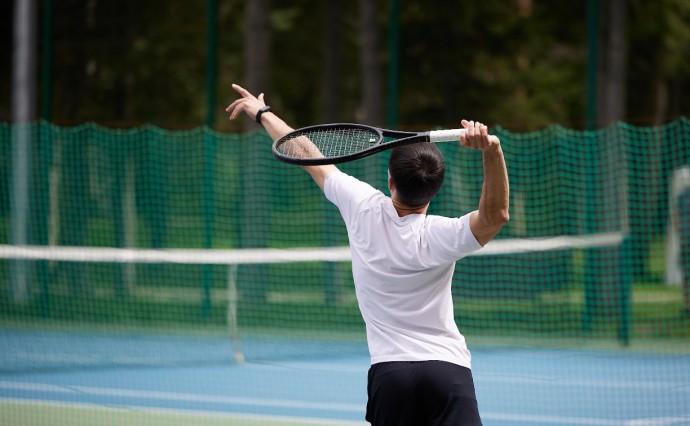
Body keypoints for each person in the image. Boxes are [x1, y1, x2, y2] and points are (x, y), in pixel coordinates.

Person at [226, 83, 509, 426]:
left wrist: (262, 113)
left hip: (391, 375)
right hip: (447, 372)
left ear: (390, 181)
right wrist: (491, 150)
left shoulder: (361, 206)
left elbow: (308, 155)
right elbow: (496, 216)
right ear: (436, 188)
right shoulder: (442, 234)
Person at [675, 186, 690, 319]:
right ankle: (687, 306)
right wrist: (679, 231)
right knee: (686, 274)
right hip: (686, 240)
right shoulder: (683, 195)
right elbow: (676, 215)